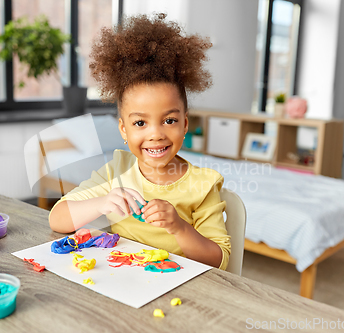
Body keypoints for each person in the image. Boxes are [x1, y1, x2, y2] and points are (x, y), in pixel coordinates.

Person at [49, 13, 230, 269]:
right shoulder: (116, 171)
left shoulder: (203, 184)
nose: (156, 134)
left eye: (169, 120)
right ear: (123, 130)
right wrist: (102, 202)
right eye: (140, 123)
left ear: (185, 124)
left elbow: (220, 259)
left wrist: (179, 227)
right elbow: (57, 219)